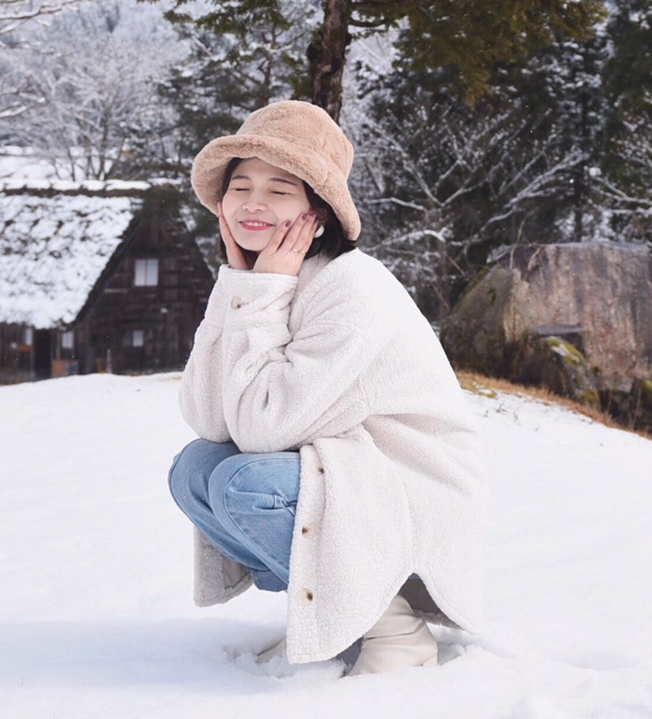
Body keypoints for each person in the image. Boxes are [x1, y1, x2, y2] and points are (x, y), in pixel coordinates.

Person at [166, 100, 485, 674]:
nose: (254, 204)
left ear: (318, 209)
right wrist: (240, 290)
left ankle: (395, 628)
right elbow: (210, 418)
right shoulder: (267, 275)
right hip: (344, 471)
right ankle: (338, 616)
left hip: (407, 488)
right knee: (195, 468)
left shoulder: (349, 288)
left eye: (280, 190)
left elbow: (262, 431)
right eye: (241, 186)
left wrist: (261, 293)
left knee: (244, 480)